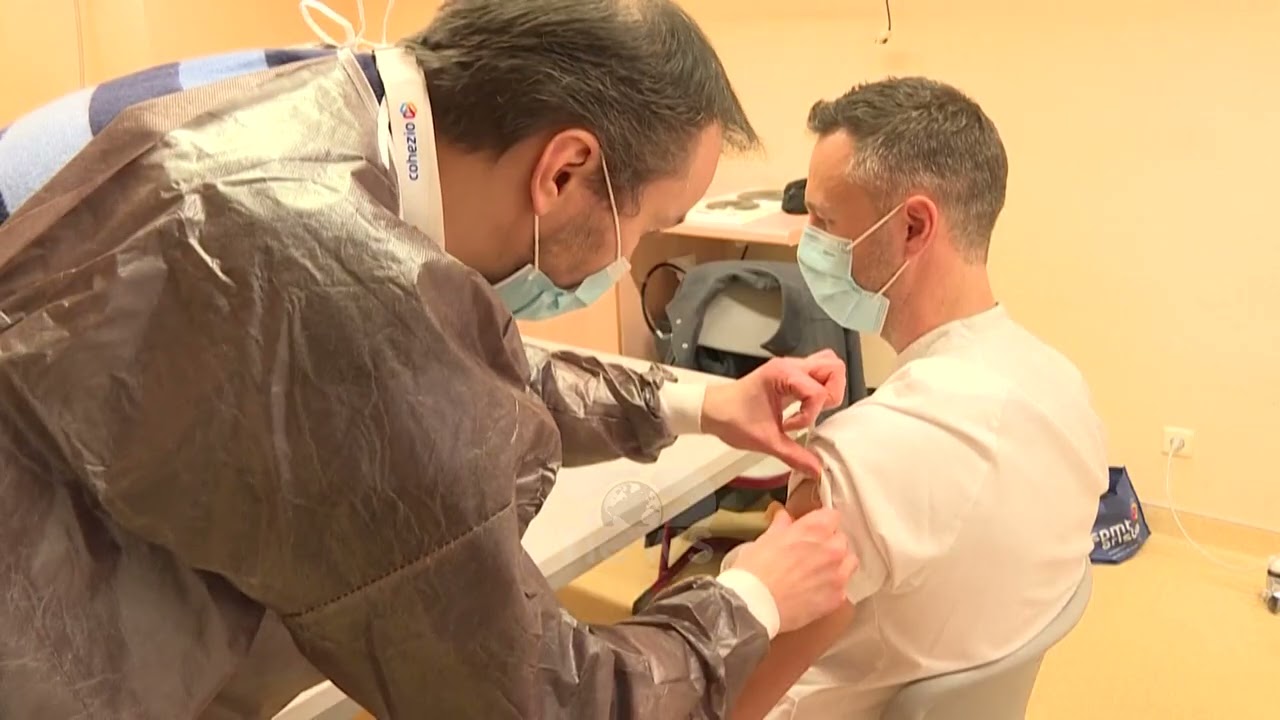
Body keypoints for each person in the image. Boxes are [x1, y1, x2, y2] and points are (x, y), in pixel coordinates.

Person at [0, 1, 858, 718]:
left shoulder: (326, 108)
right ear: (565, 171)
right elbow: (542, 700)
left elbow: (453, 363)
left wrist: (699, 404)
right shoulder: (331, 265)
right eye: (647, 223)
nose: (629, 259)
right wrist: (752, 596)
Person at [724, 78, 1109, 719]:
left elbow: (727, 699)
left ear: (912, 226)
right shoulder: (1064, 387)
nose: (806, 240)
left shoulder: (852, 465)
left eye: (824, 221)